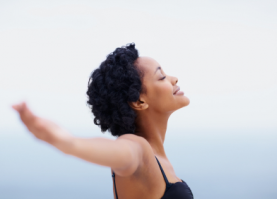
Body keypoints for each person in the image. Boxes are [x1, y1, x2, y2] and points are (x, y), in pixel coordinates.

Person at [12, 43, 194, 199]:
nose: (173, 78)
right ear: (139, 101)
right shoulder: (138, 147)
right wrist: (67, 142)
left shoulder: (157, 158)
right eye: (161, 76)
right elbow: (120, 152)